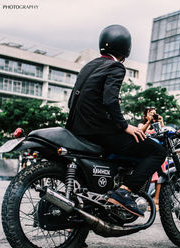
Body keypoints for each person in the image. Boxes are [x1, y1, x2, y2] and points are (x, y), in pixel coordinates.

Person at [65, 25, 166, 217]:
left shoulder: (89, 66)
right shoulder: (116, 66)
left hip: (77, 132)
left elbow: (72, 101)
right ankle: (123, 192)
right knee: (158, 151)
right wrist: (124, 126)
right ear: (126, 49)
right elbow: (110, 100)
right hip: (100, 133)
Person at [138, 107, 166, 208]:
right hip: (148, 154)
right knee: (148, 176)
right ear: (145, 115)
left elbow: (163, 134)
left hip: (158, 154)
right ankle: (146, 199)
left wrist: (161, 122)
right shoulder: (142, 124)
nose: (152, 115)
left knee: (159, 178)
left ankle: (156, 200)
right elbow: (140, 131)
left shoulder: (156, 126)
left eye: (154, 113)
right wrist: (149, 122)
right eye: (150, 113)